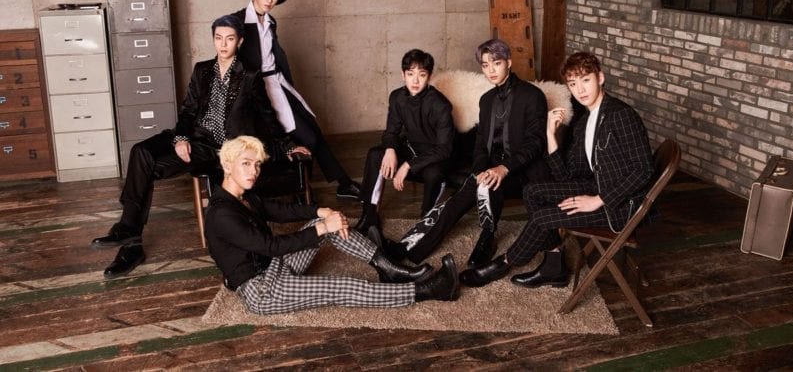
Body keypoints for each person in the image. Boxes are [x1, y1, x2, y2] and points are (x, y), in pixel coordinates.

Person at [91, 14, 307, 279]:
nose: (223, 44)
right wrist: (181, 138)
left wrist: (288, 145)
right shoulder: (202, 70)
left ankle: (131, 240)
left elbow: (267, 114)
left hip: (225, 150)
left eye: (229, 39)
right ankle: (129, 232)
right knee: (141, 154)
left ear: (239, 41)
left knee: (145, 170)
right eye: (218, 38)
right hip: (198, 142)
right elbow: (188, 111)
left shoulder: (250, 75)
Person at [458, 51, 656, 288]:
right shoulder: (584, 121)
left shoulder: (620, 115)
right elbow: (568, 176)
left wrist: (598, 200)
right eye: (573, 84)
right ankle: (554, 264)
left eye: (586, 80)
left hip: (621, 206)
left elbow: (644, 170)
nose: (580, 90)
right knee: (532, 191)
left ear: (600, 78)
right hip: (596, 186)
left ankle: (504, 263)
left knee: (542, 217)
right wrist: (550, 135)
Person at [204, 135, 459, 314]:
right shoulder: (221, 214)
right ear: (227, 165)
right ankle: (429, 291)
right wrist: (322, 228)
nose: (254, 171)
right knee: (342, 287)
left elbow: (281, 211)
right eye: (246, 164)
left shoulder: (244, 196)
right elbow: (271, 246)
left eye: (257, 164)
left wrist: (320, 212)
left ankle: (388, 268)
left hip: (272, 268)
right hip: (262, 290)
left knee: (324, 221)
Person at [376, 39, 549, 268]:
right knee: (453, 203)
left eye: (496, 63)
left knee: (487, 188)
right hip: (491, 168)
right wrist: (479, 169)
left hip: (522, 171)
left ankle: (487, 238)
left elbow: (536, 143)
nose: (491, 70)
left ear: (508, 62)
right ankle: (408, 246)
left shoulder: (532, 95)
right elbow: (480, 143)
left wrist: (503, 168)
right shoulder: (486, 100)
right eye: (485, 65)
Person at [233, 0, 360, 199]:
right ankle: (307, 188)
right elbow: (230, 60)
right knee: (305, 136)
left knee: (311, 129)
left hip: (278, 84)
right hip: (256, 90)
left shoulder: (270, 21)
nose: (270, 0)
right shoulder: (238, 21)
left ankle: (338, 184)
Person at [354, 49, 455, 234]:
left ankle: (425, 223)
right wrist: (390, 149)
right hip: (412, 148)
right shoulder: (397, 97)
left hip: (435, 157)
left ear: (429, 76)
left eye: (421, 75)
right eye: (410, 74)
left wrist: (408, 165)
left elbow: (444, 149)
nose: (415, 81)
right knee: (376, 154)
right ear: (403, 75)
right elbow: (391, 132)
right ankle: (369, 216)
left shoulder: (440, 105)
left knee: (433, 174)